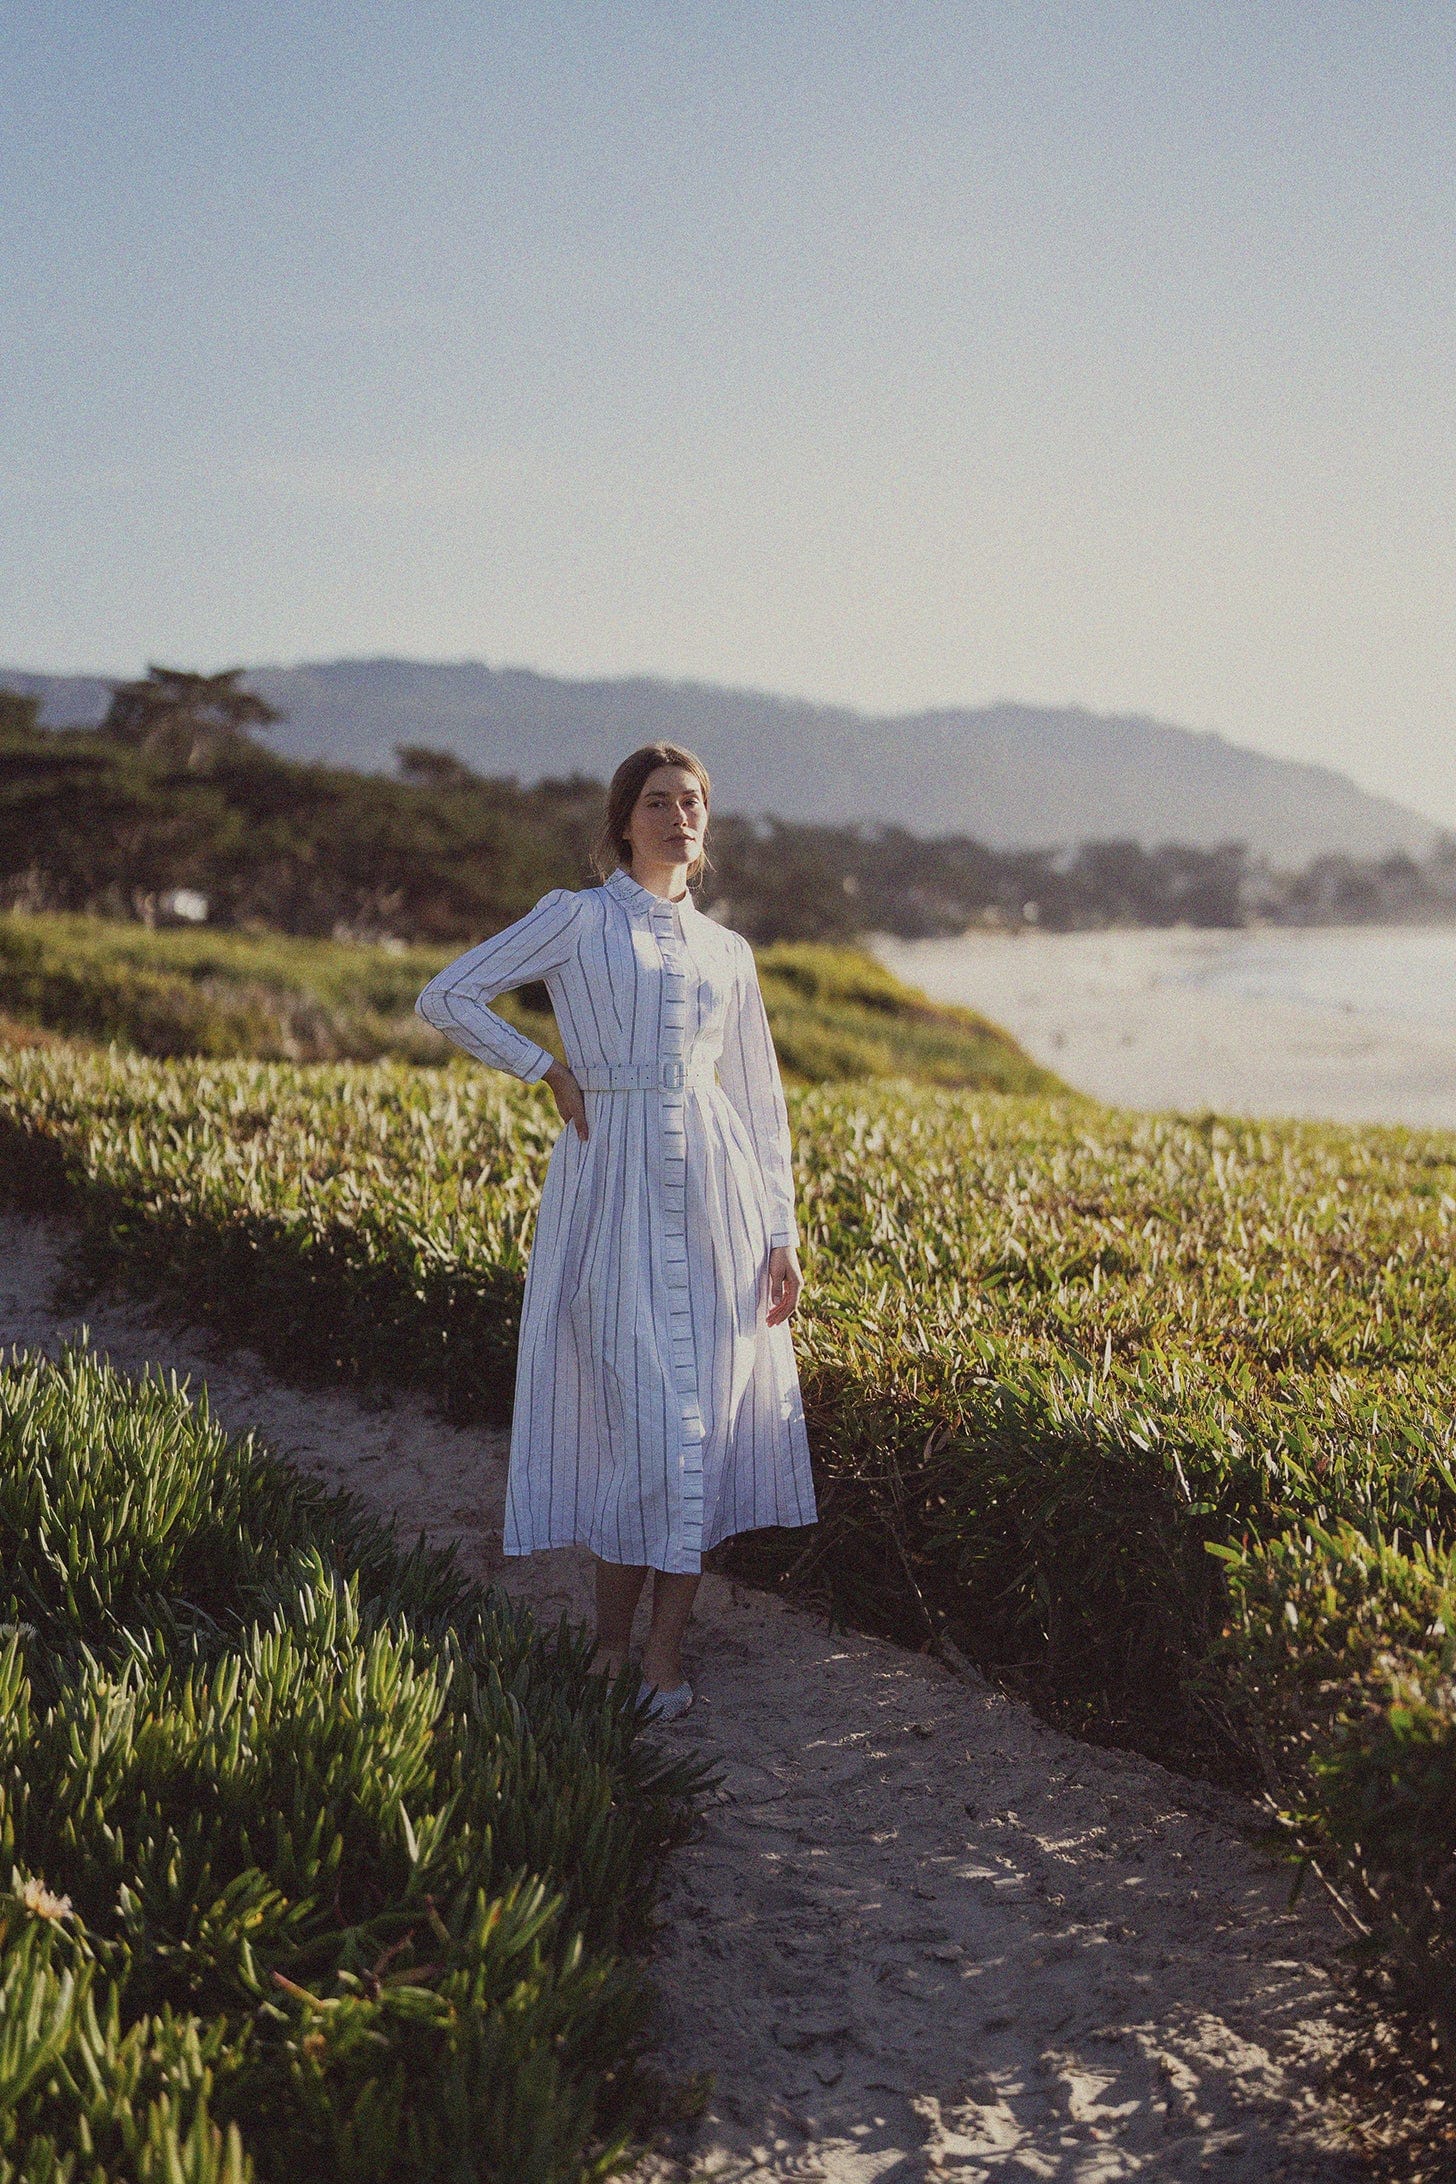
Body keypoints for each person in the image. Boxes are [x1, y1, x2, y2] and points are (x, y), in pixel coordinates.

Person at [416, 742, 816, 1719]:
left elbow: (758, 1102)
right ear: (622, 819)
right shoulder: (577, 917)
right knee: (643, 1427)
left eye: (692, 803)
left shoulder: (728, 952)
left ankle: (662, 1659)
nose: (678, 817)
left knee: (702, 1431)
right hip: (612, 1188)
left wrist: (781, 1233)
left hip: (716, 1200)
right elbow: (448, 994)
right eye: (657, 801)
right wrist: (542, 1067)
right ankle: (606, 1647)